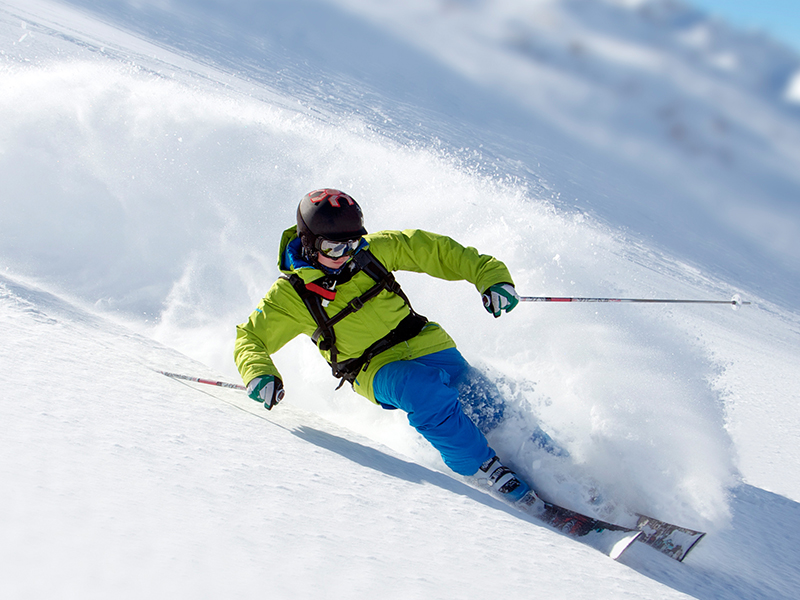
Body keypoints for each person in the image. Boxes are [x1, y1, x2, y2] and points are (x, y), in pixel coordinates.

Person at [234, 188, 533, 503]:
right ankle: (482, 470)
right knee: (424, 390)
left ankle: (555, 463)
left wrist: (491, 276)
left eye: (351, 244)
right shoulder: (291, 296)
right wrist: (259, 374)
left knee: (486, 401)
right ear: (309, 242)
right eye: (333, 248)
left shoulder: (372, 251)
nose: (345, 255)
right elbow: (250, 337)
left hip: (423, 340)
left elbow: (435, 250)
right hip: (372, 367)